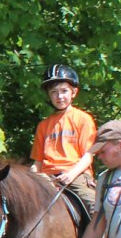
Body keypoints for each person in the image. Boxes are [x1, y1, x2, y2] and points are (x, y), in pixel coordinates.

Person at [30, 63, 98, 206]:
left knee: (94, 206)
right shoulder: (43, 125)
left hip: (76, 175)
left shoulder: (83, 119)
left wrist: (71, 175)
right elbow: (37, 162)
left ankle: (104, 229)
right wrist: (33, 178)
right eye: (54, 92)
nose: (59, 96)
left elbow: (88, 156)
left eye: (64, 91)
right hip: (47, 177)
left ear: (74, 92)